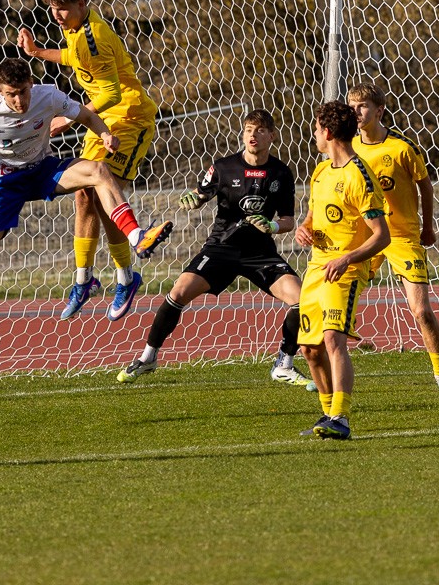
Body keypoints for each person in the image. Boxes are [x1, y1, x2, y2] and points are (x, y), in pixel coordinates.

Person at [0, 58, 171, 373]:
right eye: (11, 94)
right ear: (0, 91)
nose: (19, 100)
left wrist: (104, 133)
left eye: (23, 91)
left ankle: (136, 237)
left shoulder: (47, 96)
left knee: (98, 170)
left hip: (41, 170)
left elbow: (84, 115)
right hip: (2, 184)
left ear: (31, 85)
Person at [117, 110, 309, 387]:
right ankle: (148, 358)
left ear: (272, 135)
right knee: (178, 292)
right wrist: (191, 200)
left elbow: (288, 220)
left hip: (260, 252)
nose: (253, 135)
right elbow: (199, 195)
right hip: (221, 247)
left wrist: (273, 226)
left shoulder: (281, 172)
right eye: (248, 130)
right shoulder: (223, 167)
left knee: (301, 300)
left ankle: (284, 364)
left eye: (260, 130)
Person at [18, 0, 157, 322]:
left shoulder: (93, 36)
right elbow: (73, 57)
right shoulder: (76, 28)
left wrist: (69, 117)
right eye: (52, 6)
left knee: (105, 194)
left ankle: (126, 277)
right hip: (102, 117)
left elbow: (110, 92)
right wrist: (37, 53)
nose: (55, 14)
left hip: (129, 117)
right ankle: (84, 278)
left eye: (62, 7)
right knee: (84, 195)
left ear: (81, 3)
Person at [347, 84, 439, 394]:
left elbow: (426, 187)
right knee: (339, 304)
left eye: (363, 106)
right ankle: (317, 369)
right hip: (366, 237)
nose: (356, 112)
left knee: (421, 311)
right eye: (352, 106)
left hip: (402, 237)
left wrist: (428, 227)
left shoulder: (402, 147)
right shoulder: (348, 147)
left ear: (379, 110)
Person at [294, 100, 392, 440]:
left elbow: (382, 236)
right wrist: (304, 228)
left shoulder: (359, 176)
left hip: (346, 270)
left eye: (317, 129)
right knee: (309, 349)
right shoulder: (320, 172)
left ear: (328, 132)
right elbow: (312, 215)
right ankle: (326, 414)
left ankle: (341, 417)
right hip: (317, 267)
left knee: (333, 339)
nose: (315, 135)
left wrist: (347, 259)